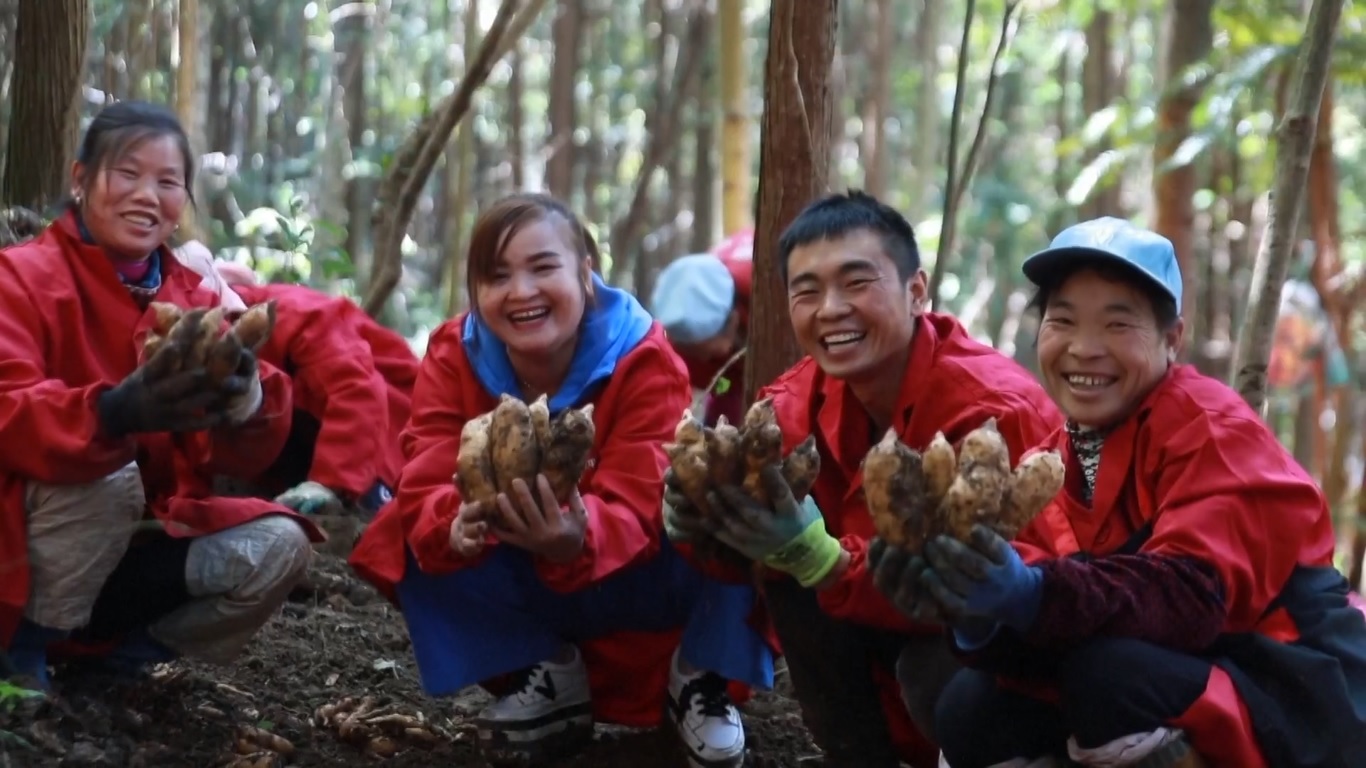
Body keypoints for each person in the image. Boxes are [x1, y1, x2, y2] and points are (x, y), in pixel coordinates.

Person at [872, 217, 1366, 768]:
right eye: (1063, 320)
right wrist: (976, 611)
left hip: (1292, 683)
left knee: (1107, 678)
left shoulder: (1212, 428)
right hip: (1182, 667)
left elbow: (1189, 599)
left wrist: (1031, 593)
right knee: (969, 706)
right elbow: (1053, 616)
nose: (1085, 348)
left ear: (1171, 339)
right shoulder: (1052, 458)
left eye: (1118, 324)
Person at [349, 192, 773, 767]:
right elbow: (426, 467)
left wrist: (582, 535)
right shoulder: (455, 352)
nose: (521, 292)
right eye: (496, 276)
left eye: (543, 267)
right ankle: (544, 671)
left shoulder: (645, 356)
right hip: (519, 563)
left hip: (642, 572)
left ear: (586, 272)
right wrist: (454, 522)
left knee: (737, 498)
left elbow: (644, 489)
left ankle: (701, 676)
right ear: (476, 292)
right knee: (402, 529)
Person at [665, 191, 1063, 768]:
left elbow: (1023, 587)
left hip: (994, 664)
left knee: (938, 666)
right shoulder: (791, 406)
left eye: (856, 282)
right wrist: (703, 526)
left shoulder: (993, 412)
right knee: (787, 577)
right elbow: (759, 561)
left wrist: (828, 561)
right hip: (872, 649)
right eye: (807, 290)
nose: (830, 309)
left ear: (916, 291)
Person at [0, 101, 322, 688]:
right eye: (128, 173)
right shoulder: (18, 277)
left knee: (282, 545)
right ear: (79, 179)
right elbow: (8, 409)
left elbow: (244, 452)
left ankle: (121, 656)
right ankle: (21, 648)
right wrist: (112, 413)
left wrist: (246, 399)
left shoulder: (191, 296)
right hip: (30, 542)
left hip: (144, 533)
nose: (147, 195)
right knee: (111, 471)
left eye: (168, 181)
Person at [210, 265, 420, 528]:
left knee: (376, 526)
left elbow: (356, 390)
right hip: (298, 441)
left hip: (390, 432)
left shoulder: (295, 313)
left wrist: (329, 483)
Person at [649, 236, 752, 428]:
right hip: (729, 386)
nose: (704, 360)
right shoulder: (674, 346)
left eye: (711, 352)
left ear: (733, 320)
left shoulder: (762, 280)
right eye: (697, 354)